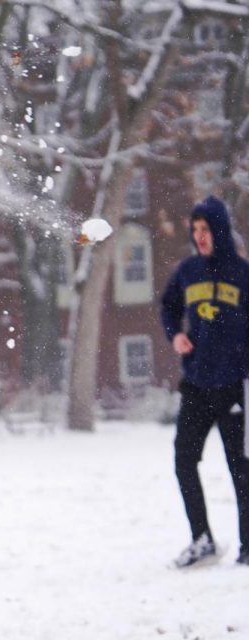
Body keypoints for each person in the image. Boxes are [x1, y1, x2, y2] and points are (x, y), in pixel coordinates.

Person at [160, 195, 249, 569]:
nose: (200, 236)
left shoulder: (243, 274)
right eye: (195, 230)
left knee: (240, 468)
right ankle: (202, 540)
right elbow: (168, 306)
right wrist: (175, 335)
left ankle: (248, 546)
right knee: (184, 460)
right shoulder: (187, 272)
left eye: (206, 229)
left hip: (234, 385)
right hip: (196, 385)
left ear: (220, 231)